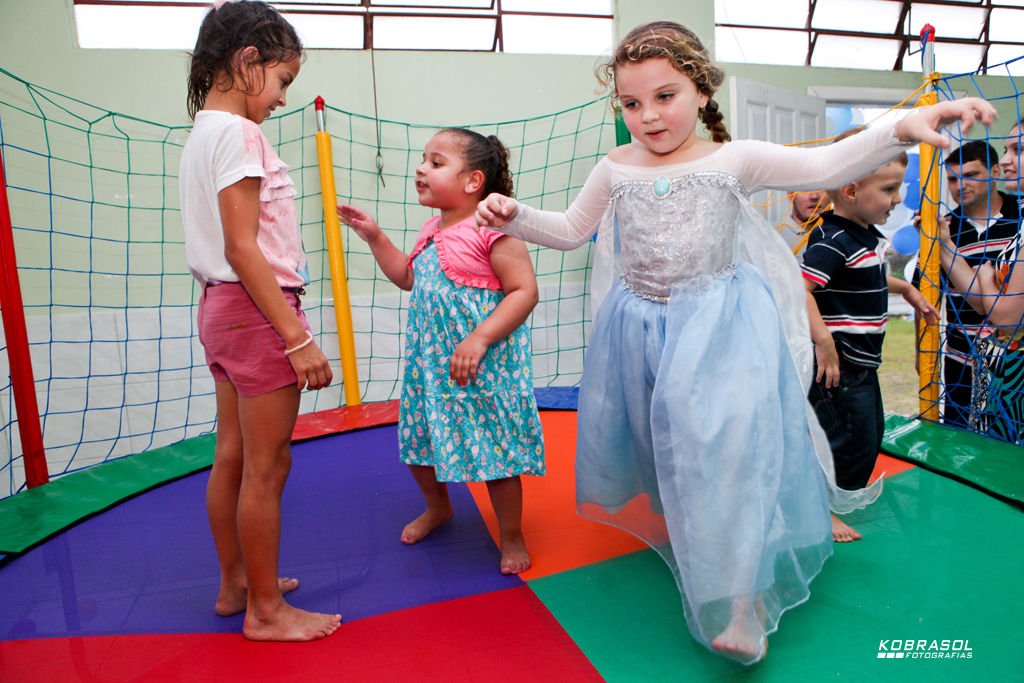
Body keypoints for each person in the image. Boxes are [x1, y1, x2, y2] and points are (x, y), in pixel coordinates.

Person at [474, 20, 994, 664]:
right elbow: (573, 230)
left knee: (725, 455)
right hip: (640, 330)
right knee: (672, 454)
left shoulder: (732, 159)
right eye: (632, 104)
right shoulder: (615, 166)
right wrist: (514, 213)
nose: (648, 116)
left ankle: (742, 601)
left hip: (720, 330)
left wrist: (908, 124)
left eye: (665, 96)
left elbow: (825, 163)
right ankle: (706, 539)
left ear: (700, 87)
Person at [179, 0, 342, 642]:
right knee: (267, 467)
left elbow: (225, 248)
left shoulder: (203, 132)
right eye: (281, 81)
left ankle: (237, 584)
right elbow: (245, 247)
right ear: (248, 61)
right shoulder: (242, 135)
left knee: (233, 454)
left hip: (220, 310)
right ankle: (266, 611)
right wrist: (297, 339)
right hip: (256, 310)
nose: (280, 99)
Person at [338, 128, 544, 575]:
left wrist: (480, 337)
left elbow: (524, 292)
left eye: (435, 162)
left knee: (497, 455)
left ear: (472, 182)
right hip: (432, 367)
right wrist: (375, 236)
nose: (420, 168)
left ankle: (511, 534)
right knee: (419, 443)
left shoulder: (494, 231)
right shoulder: (432, 228)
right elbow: (407, 277)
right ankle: (439, 507)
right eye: (422, 159)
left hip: (484, 368)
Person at [802, 127, 938, 544]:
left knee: (868, 433)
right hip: (837, 366)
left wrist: (908, 290)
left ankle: (834, 498)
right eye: (890, 188)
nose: (898, 198)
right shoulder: (834, 238)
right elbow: (798, 288)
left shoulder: (864, 236)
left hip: (862, 364)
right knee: (844, 439)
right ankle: (819, 510)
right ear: (850, 190)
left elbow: (871, 277)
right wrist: (823, 341)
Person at [912, 142, 1019, 428]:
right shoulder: (940, 228)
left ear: (995, 171)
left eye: (971, 175)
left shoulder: (1020, 217)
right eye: (952, 178)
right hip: (961, 357)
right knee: (959, 439)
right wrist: (921, 352)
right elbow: (921, 298)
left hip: (1013, 357)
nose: (960, 185)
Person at [780, 189, 827, 258]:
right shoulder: (770, 234)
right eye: (806, 189)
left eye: (821, 189)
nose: (814, 196)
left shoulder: (841, 236)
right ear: (791, 195)